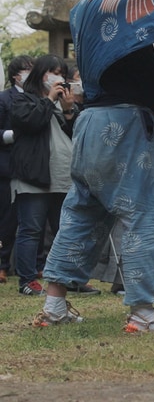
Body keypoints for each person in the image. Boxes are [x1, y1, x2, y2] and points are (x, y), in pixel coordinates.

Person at [36, 47, 154, 332]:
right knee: (144, 215)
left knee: (80, 215)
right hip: (124, 126)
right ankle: (143, 313)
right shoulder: (134, 37)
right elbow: (153, 96)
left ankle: (54, 306)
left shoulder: (91, 35)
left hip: (88, 124)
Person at [10, 55, 78, 297]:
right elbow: (33, 121)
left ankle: (67, 279)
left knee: (65, 230)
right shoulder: (21, 100)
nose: (58, 77)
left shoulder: (64, 102)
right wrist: (49, 100)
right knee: (31, 230)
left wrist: (69, 111)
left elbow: (76, 135)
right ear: (40, 74)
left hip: (63, 176)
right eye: (52, 72)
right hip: (33, 177)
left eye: (61, 72)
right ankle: (27, 280)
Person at [0, 55, 34, 285]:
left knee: (33, 221)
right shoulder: (4, 99)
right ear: (15, 75)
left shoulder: (38, 97)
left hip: (33, 168)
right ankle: (2, 265)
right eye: (27, 69)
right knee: (7, 219)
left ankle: (35, 265)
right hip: (7, 166)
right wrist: (15, 136)